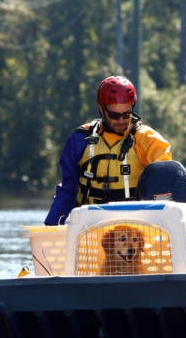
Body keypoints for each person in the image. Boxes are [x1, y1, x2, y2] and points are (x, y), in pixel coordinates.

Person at [44, 75, 173, 225]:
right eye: (114, 115)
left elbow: (166, 188)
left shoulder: (148, 140)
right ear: (102, 109)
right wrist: (50, 226)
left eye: (126, 114)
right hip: (90, 226)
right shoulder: (79, 140)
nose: (121, 121)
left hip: (137, 228)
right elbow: (67, 191)